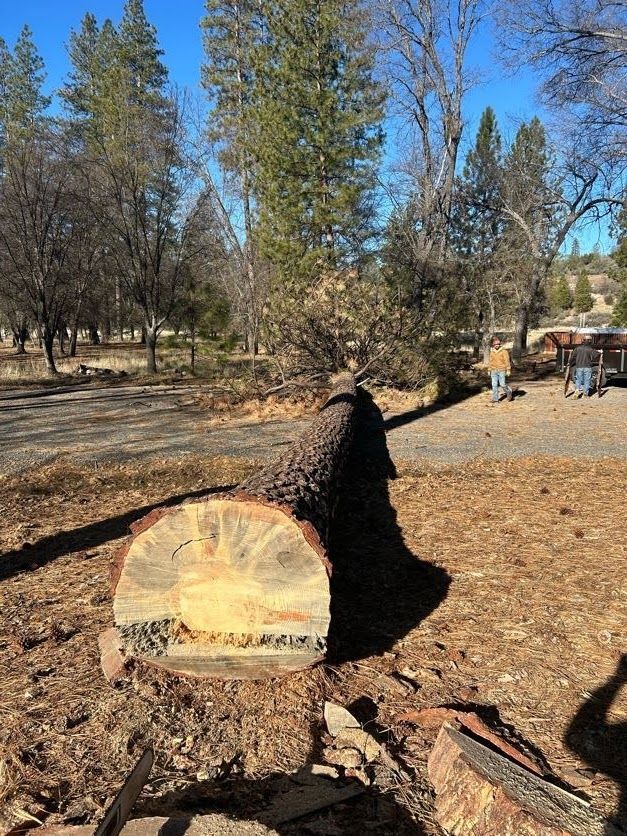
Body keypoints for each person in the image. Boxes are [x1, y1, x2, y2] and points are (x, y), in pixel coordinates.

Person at [488, 336, 513, 403]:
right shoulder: (492, 352)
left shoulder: (504, 351)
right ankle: (495, 399)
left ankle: (509, 391)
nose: (497, 345)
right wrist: (489, 369)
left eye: (498, 344)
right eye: (495, 344)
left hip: (502, 370)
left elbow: (507, 361)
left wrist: (508, 370)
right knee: (494, 385)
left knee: (502, 384)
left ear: (500, 344)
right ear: (493, 345)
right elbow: (490, 361)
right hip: (493, 370)